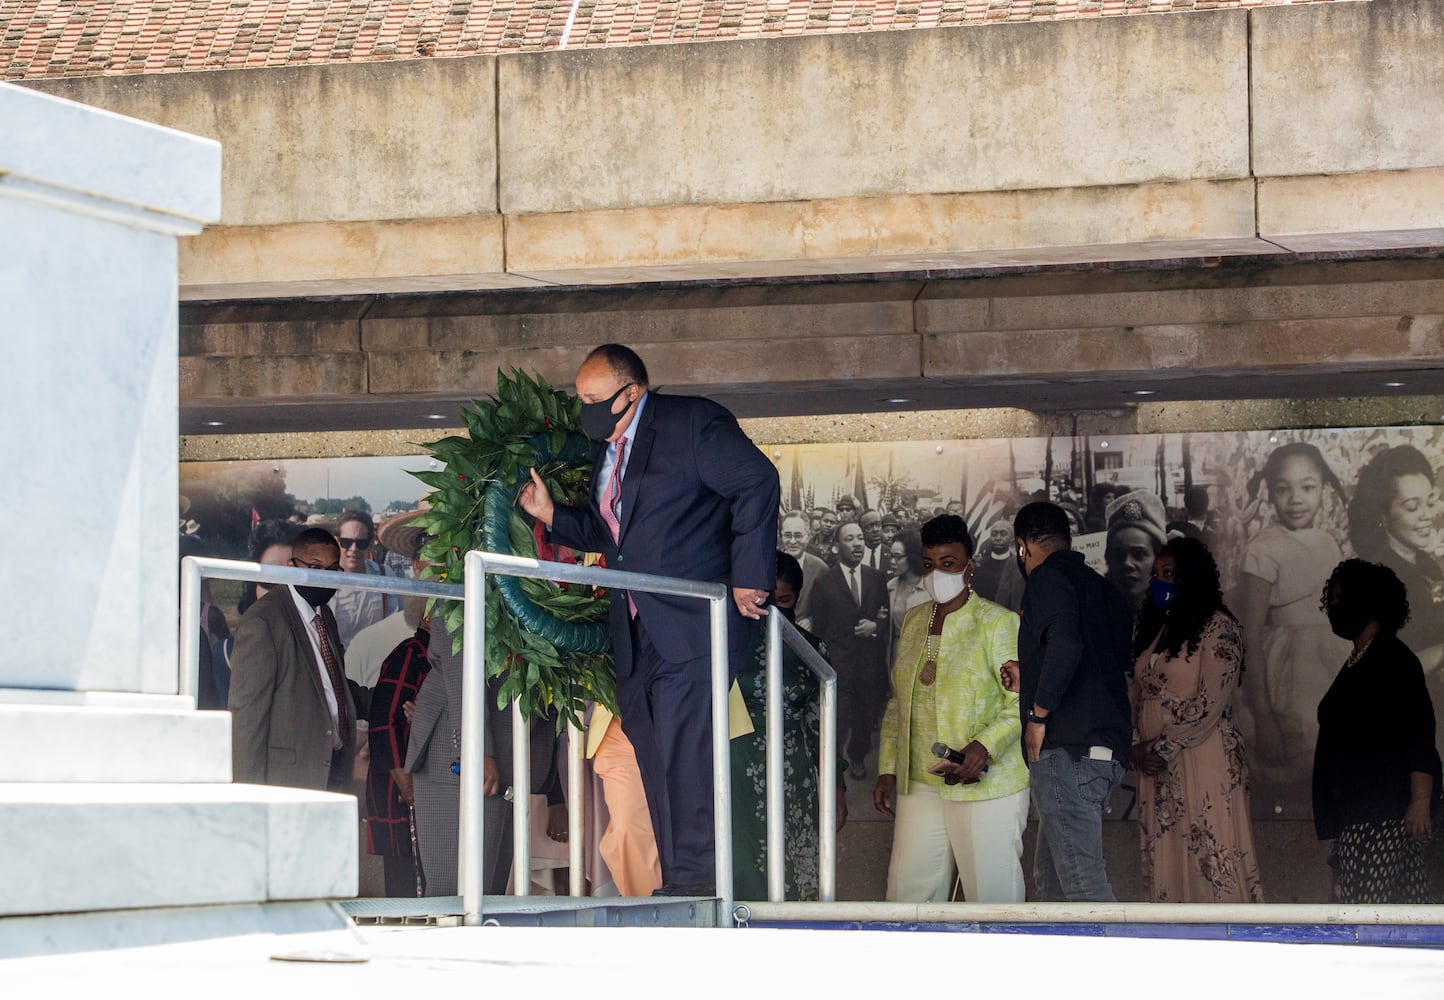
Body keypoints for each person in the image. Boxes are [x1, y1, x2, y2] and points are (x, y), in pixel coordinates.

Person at [518, 343, 780, 896]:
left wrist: (749, 574)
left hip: (693, 624)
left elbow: (757, 481)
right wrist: (550, 515)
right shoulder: (610, 453)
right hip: (636, 632)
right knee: (656, 759)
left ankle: (698, 886)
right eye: (579, 397)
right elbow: (612, 536)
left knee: (688, 758)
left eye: (594, 399)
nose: (584, 408)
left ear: (631, 392)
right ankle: (679, 883)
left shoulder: (691, 423)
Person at [873, 516, 1028, 903]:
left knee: (993, 897)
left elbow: (1020, 702)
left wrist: (983, 747)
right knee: (908, 897)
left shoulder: (998, 623)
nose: (936, 573)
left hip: (986, 783)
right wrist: (889, 767)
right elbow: (897, 702)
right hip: (922, 781)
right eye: (929, 564)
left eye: (948, 563)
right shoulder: (913, 622)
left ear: (969, 566)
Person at [1003, 501, 1132, 902]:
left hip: (1067, 751)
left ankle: (1120, 964)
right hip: (1105, 752)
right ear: (1069, 540)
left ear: (1022, 547)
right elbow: (1103, 661)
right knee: (1053, 881)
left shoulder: (1045, 579)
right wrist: (1036, 675)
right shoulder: (1102, 587)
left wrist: (1038, 715)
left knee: (1082, 886)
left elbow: (1068, 644)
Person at [1130, 537, 1264, 903]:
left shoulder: (1220, 628)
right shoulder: (1157, 630)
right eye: (1156, 575)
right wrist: (1135, 746)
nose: (1160, 582)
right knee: (1165, 852)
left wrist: (1159, 747)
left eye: (1169, 574)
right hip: (1155, 763)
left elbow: (1211, 703)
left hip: (1201, 757)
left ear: (1191, 577)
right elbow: (1136, 691)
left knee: (1210, 847)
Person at [404, 620, 565, 896]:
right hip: (462, 763)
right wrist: (475, 748)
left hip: (512, 761)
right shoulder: (462, 579)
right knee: (455, 897)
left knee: (489, 897)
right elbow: (460, 665)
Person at [1313, 559, 1441, 903]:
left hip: (1381, 815)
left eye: (1343, 599)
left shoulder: (1393, 660)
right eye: (1333, 600)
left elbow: (1419, 734)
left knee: (1362, 914)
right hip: (1362, 814)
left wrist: (1420, 802)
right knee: (1395, 909)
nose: (1335, 608)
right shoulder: (1361, 660)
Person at [1235, 441, 1350, 816]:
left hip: (1329, 664)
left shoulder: (1328, 543)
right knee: (1295, 777)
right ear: (1269, 492)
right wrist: (1264, 718)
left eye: (1307, 487)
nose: (1296, 498)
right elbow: (1249, 635)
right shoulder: (1263, 548)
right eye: (1283, 488)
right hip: (1288, 675)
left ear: (1323, 489)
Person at [730, 552, 848, 901]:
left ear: (797, 596)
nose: (773, 611)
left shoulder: (810, 649)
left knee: (795, 870)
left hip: (793, 776)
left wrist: (836, 783)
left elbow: (822, 727)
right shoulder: (725, 646)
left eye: (784, 600)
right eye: (766, 601)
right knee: (742, 866)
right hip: (737, 770)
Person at [229, 527, 359, 792]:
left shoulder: (324, 615)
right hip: (287, 783)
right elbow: (247, 723)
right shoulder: (263, 622)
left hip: (331, 773)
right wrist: (247, 798)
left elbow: (332, 689)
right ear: (291, 566)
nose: (323, 578)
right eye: (314, 567)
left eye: (332, 571)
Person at [363, 510, 435, 897]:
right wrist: (406, 784)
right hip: (401, 797)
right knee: (406, 890)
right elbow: (383, 722)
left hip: (424, 795)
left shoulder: (436, 657)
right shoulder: (411, 652)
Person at [1347, 445, 1444, 682]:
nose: (1426, 515)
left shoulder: (1426, 565)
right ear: (1383, 515)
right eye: (1412, 507)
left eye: (1429, 502)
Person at [808, 520, 891, 782]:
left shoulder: (876, 578)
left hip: (868, 666)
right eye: (849, 539)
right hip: (838, 665)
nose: (857, 543)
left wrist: (875, 625)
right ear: (837, 546)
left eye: (859, 538)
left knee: (865, 717)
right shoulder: (824, 582)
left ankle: (858, 757)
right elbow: (819, 628)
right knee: (838, 720)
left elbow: (885, 618)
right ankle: (834, 765)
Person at [212, 519, 300, 706]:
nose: (279, 592)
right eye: (269, 579)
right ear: (253, 585)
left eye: (291, 580)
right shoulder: (225, 656)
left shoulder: (322, 656)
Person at [330, 509, 401, 649]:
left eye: (360, 543)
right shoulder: (324, 579)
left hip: (375, 661)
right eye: (346, 542)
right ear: (337, 542)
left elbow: (397, 622)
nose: (353, 548)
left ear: (370, 544)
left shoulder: (384, 576)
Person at [1103, 490, 1167, 617]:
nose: (1127, 563)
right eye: (1119, 555)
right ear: (1108, 559)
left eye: (1139, 554)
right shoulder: (1094, 616)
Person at [885, 526, 929, 665]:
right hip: (896, 658)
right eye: (891, 556)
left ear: (912, 556)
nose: (892, 561)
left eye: (897, 557)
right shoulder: (890, 587)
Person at [779, 511, 828, 630]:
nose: (792, 541)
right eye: (787, 535)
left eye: (798, 535)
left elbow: (828, 607)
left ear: (808, 536)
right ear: (781, 535)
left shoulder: (820, 568)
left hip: (806, 640)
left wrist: (812, 620)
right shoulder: (767, 564)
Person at [972, 511, 1025, 612]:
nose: (998, 538)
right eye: (994, 534)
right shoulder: (979, 566)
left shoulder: (1018, 566)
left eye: (1003, 534)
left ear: (1011, 538)